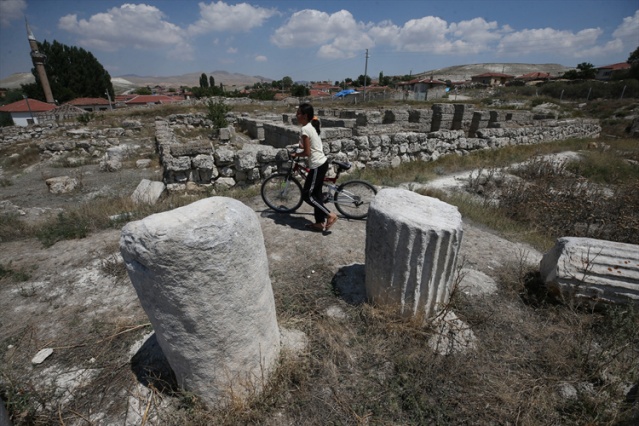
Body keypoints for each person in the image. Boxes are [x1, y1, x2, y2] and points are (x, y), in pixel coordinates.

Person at [291, 103, 338, 233]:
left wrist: (296, 154)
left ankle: (330, 215)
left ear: (305, 116)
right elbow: (310, 145)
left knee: (307, 195)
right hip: (322, 163)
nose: (296, 115)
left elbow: (307, 153)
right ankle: (319, 223)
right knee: (317, 195)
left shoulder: (305, 129)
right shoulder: (311, 126)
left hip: (317, 165)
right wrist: (301, 146)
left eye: (299, 113)